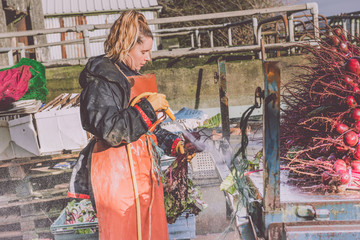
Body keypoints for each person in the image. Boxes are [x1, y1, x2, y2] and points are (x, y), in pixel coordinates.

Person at [77, 10, 188, 240]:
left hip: (143, 173)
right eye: (144, 51)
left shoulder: (132, 76)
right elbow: (111, 129)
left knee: (151, 233)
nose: (148, 58)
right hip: (116, 178)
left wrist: (173, 143)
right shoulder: (102, 81)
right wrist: (148, 107)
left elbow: (147, 129)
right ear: (126, 45)